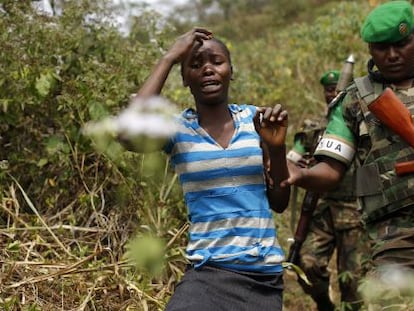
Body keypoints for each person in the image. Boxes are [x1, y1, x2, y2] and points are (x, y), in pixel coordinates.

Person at [128, 28, 291, 311]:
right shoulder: (177, 129)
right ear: (184, 79)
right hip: (206, 273)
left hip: (262, 278)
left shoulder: (256, 120)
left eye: (216, 61)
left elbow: (279, 202)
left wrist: (276, 149)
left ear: (230, 70)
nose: (207, 69)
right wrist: (169, 57)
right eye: (194, 64)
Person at [282, 0, 414, 279]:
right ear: (369, 49)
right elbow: (331, 169)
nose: (392, 55)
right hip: (394, 233)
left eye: (402, 44)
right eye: (381, 47)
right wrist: (299, 174)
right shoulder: (355, 99)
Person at [286, 71, 367, 311]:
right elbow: (293, 158)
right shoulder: (314, 130)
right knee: (305, 264)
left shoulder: (363, 124)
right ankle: (325, 305)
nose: (333, 93)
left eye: (337, 89)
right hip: (323, 210)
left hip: (355, 212)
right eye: (329, 89)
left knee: (353, 280)